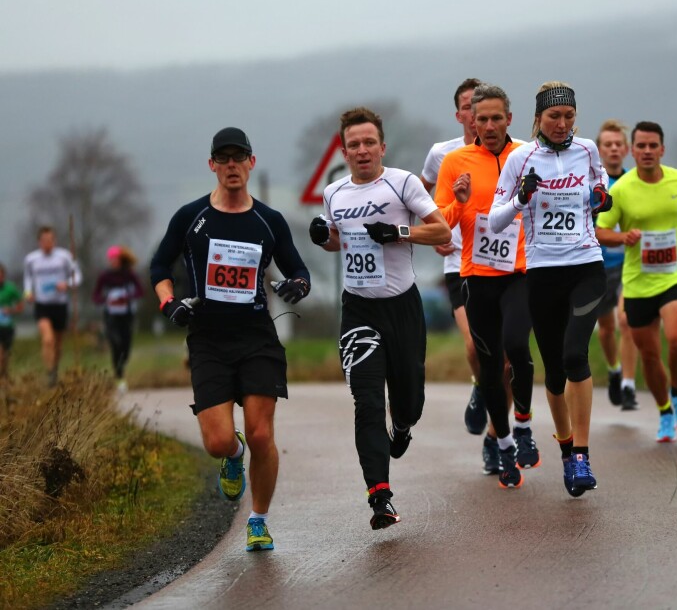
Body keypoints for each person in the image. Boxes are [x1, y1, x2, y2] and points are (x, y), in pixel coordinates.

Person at [150, 127, 311, 552]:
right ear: (212, 165)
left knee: (261, 434)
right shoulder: (191, 217)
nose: (232, 165)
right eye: (223, 158)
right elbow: (159, 268)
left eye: (239, 157)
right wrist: (169, 304)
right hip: (208, 339)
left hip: (257, 337)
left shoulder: (269, 221)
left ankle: (258, 521)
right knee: (218, 441)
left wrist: (297, 285)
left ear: (251, 163)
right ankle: (233, 456)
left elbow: (299, 270)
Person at [309, 107, 451, 529]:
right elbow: (337, 241)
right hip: (359, 309)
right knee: (368, 401)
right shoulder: (334, 193)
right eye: (354, 144)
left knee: (409, 403)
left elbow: (442, 231)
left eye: (369, 142)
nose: (362, 150)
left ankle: (402, 427)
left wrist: (399, 232)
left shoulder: (402, 183)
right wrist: (324, 237)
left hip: (402, 307)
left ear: (382, 147)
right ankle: (380, 496)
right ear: (344, 152)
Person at [489, 81, 611, 497]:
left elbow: (601, 187)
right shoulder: (520, 158)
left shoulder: (588, 150)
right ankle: (565, 449)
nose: (562, 124)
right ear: (538, 118)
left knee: (576, 355)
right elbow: (495, 221)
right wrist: (520, 199)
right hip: (542, 275)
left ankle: (582, 455)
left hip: (586, 267)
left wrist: (601, 197)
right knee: (555, 373)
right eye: (554, 116)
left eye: (569, 116)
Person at [434, 83, 540, 489]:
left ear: (510, 119)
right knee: (490, 366)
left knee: (516, 346)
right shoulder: (454, 162)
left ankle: (524, 423)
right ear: (471, 122)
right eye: (483, 119)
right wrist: (459, 200)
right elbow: (439, 221)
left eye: (498, 118)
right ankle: (505, 445)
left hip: (521, 272)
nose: (491, 126)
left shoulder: (528, 155)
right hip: (476, 276)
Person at [595, 121, 677, 443]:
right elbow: (601, 230)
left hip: (675, 275)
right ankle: (664, 410)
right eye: (641, 146)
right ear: (632, 151)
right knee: (649, 355)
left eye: (652, 146)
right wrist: (623, 237)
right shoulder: (621, 189)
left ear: (662, 149)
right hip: (638, 282)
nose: (647, 151)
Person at [419, 78, 488, 435]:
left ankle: (506, 427)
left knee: (507, 356)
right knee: (475, 347)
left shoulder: (512, 152)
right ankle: (482, 387)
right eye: (467, 106)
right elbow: (418, 193)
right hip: (458, 262)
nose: (474, 113)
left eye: (480, 105)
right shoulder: (442, 154)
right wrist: (434, 231)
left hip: (500, 262)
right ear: (459, 115)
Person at [594, 120, 640, 410]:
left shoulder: (634, 183)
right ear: (599, 150)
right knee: (606, 328)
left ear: (626, 149)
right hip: (599, 265)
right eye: (607, 144)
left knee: (626, 321)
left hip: (628, 263)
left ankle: (628, 386)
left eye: (617, 144)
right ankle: (614, 370)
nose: (613, 149)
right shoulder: (592, 182)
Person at [23, 226, 81, 386]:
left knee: (57, 343)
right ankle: (49, 373)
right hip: (42, 304)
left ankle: (54, 369)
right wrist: (28, 293)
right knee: (48, 340)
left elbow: (77, 276)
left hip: (60, 304)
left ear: (54, 241)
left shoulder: (65, 256)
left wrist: (67, 284)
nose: (47, 243)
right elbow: (27, 278)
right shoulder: (31, 259)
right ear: (39, 241)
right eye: (44, 240)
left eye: (50, 240)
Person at [92, 245, 144, 393]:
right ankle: (119, 376)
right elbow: (96, 295)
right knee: (115, 343)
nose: (113, 261)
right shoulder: (105, 276)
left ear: (120, 260)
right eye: (111, 259)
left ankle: (122, 364)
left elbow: (140, 291)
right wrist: (104, 299)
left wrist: (128, 297)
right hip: (111, 316)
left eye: (115, 259)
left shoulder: (129, 275)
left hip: (126, 316)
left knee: (125, 347)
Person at [0, 263, 24, 382]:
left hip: (7, 326)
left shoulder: (10, 289)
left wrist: (11, 310)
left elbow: (20, 306)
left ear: (3, 275)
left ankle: (4, 374)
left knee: (5, 354)